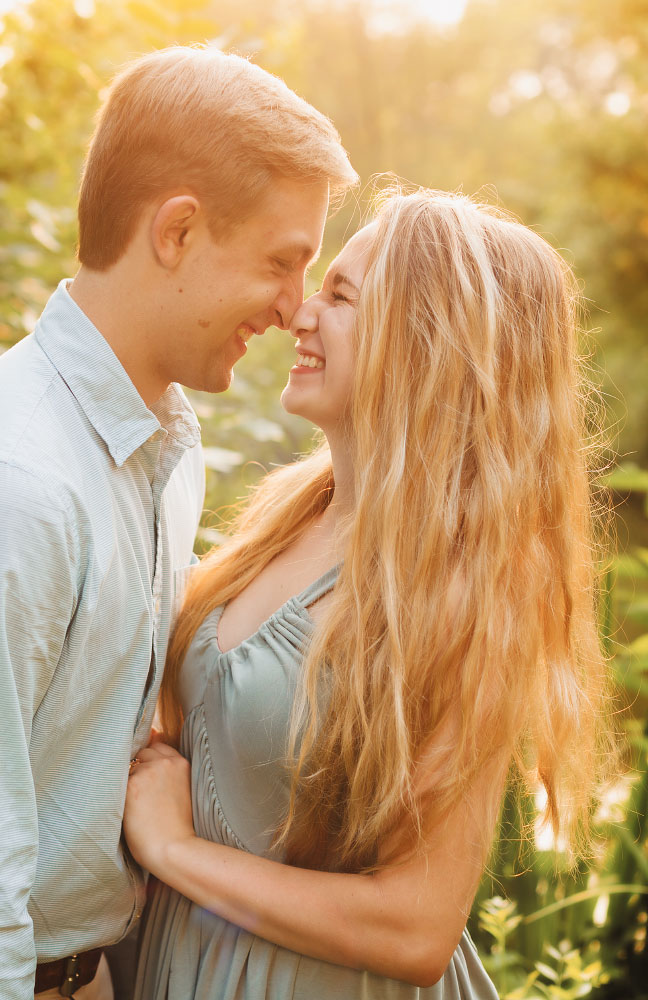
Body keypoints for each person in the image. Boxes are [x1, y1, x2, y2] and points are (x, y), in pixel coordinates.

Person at [0, 46, 357, 1000]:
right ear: (177, 230)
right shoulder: (8, 490)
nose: (297, 307)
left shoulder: (160, 444)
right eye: (282, 263)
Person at [123, 187, 615, 999]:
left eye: (341, 297)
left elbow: (417, 927)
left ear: (427, 341)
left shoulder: (470, 582)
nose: (299, 316)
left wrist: (175, 853)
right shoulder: (292, 511)